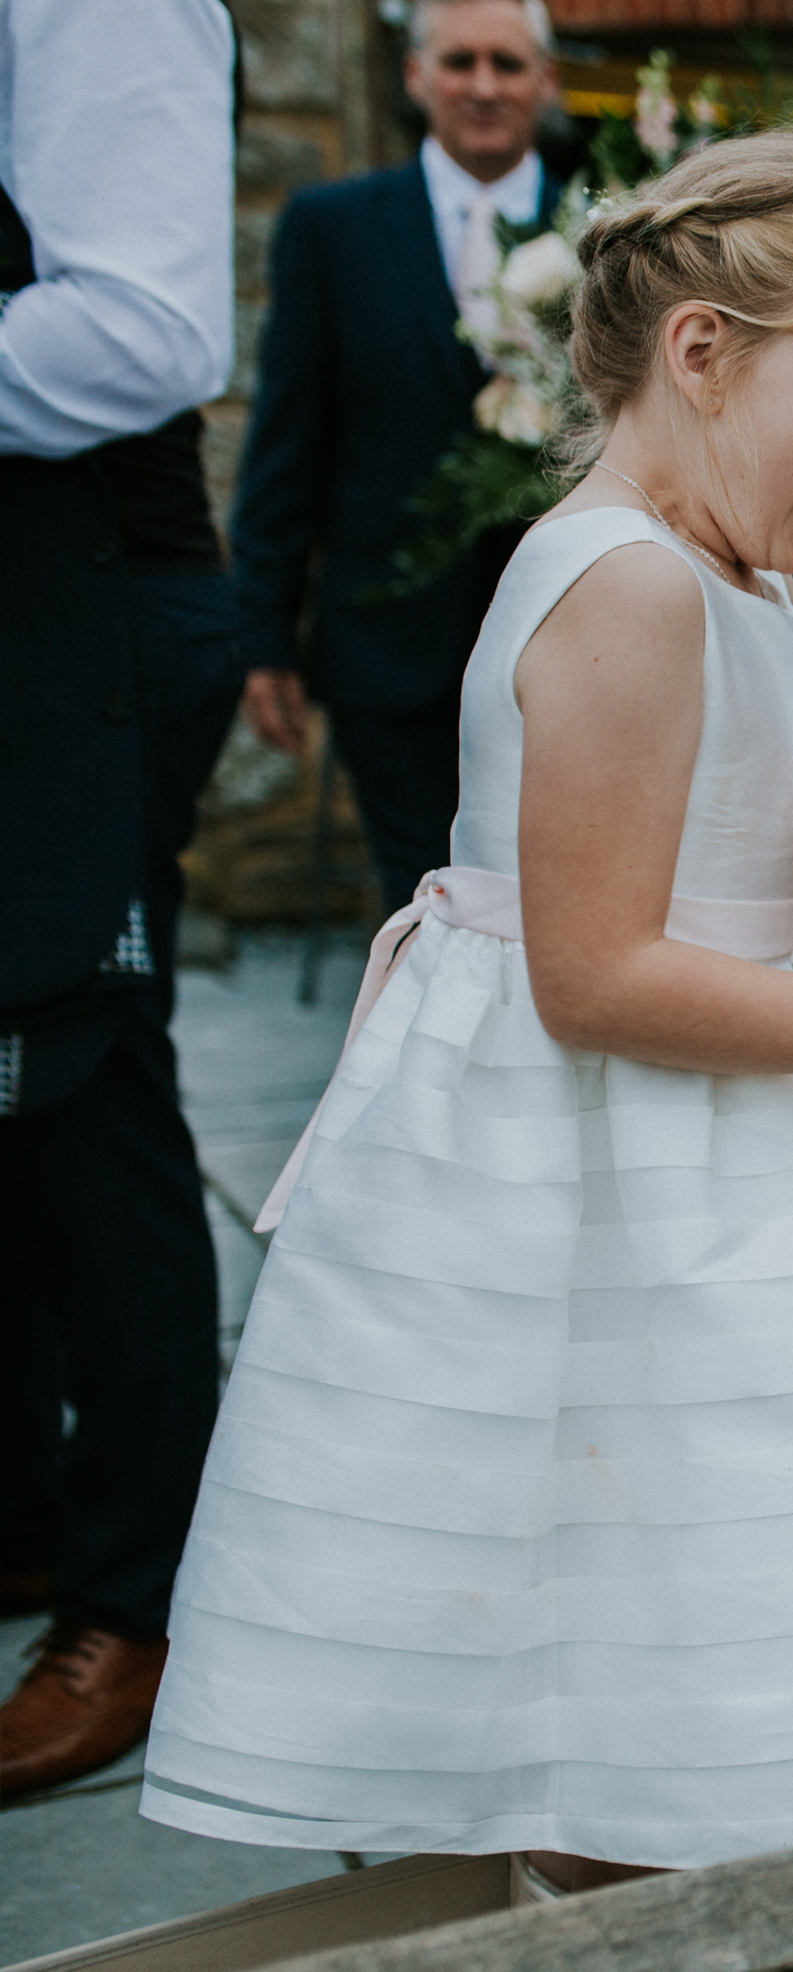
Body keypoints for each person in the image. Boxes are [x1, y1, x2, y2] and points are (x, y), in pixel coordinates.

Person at [140, 132, 793, 1893]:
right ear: (700, 354)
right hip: (603, 1158)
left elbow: (727, 828)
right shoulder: (629, 586)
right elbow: (595, 974)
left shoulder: (734, 569)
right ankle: (604, 1912)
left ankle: (664, 1893)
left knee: (682, 1584)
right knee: (622, 1582)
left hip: (712, 1123)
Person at [0, 0, 241, 1802]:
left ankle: (138, 1592)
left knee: (81, 1070)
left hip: (78, 593)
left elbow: (147, 334)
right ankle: (29, 1506)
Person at [231, 0, 564, 911]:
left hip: (574, 643)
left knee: (563, 907)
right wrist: (265, 636)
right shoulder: (331, 228)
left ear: (547, 78)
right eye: (460, 62)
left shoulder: (611, 217)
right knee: (428, 908)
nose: (484, 85)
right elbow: (288, 441)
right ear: (416, 76)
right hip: (391, 639)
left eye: (507, 62)